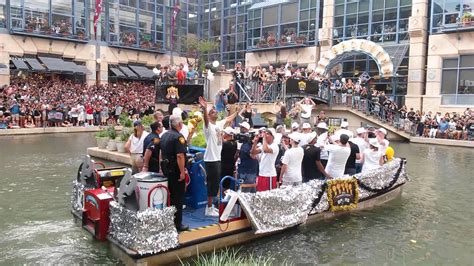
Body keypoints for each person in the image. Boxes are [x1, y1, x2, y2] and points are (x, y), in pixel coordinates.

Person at [198, 96, 239, 217]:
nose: (215, 112)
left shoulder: (219, 124)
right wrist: (205, 109)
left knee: (216, 183)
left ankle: (210, 207)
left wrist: (237, 110)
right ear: (209, 115)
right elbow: (205, 120)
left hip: (217, 159)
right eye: (212, 112)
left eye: (215, 111)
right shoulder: (208, 127)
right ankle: (209, 208)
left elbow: (228, 118)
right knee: (212, 184)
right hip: (211, 159)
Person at [160, 114, 189, 231]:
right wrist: (182, 172)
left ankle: (169, 220)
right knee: (178, 197)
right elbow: (180, 156)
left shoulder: (164, 135)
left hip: (167, 169)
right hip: (176, 171)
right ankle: (177, 223)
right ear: (179, 124)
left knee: (169, 196)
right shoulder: (179, 137)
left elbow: (161, 153)